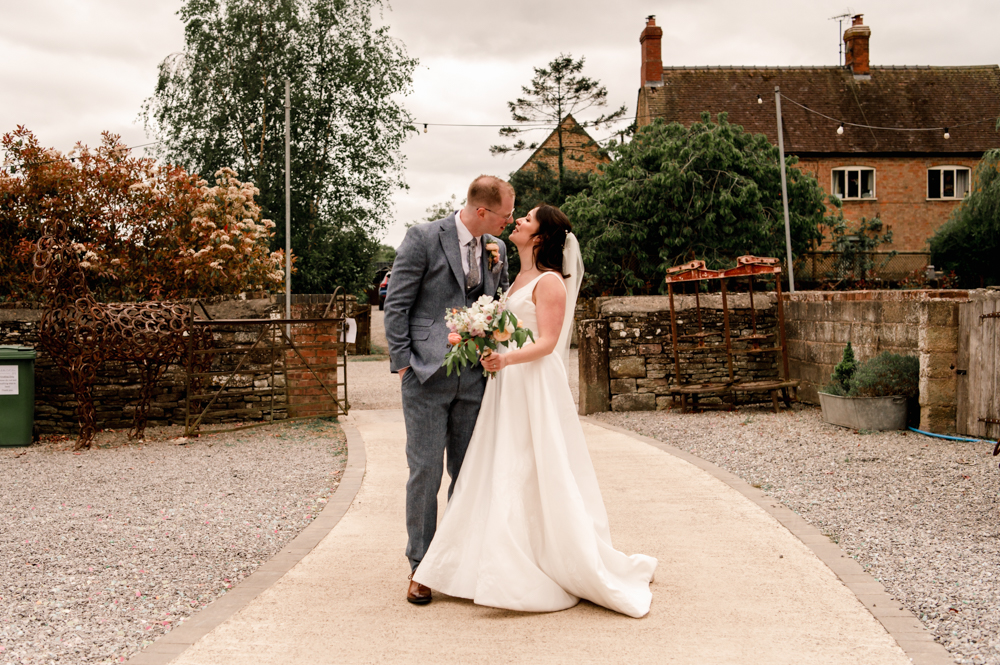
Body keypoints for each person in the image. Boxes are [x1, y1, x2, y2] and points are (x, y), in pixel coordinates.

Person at [413, 205, 657, 618]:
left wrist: (506, 360)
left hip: (532, 382)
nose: (519, 222)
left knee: (530, 465)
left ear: (540, 237)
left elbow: (547, 342)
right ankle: (475, 562)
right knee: (492, 464)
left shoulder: (550, 283)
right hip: (505, 383)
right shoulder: (515, 277)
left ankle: (535, 560)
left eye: (527, 219)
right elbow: (506, 328)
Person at [384, 175, 513, 605]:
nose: (510, 221)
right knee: (425, 472)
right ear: (482, 212)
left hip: (475, 376)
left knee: (468, 472)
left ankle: (457, 561)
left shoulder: (499, 249)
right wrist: (403, 363)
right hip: (425, 375)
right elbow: (397, 305)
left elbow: (496, 304)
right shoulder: (423, 238)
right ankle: (420, 566)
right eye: (505, 213)